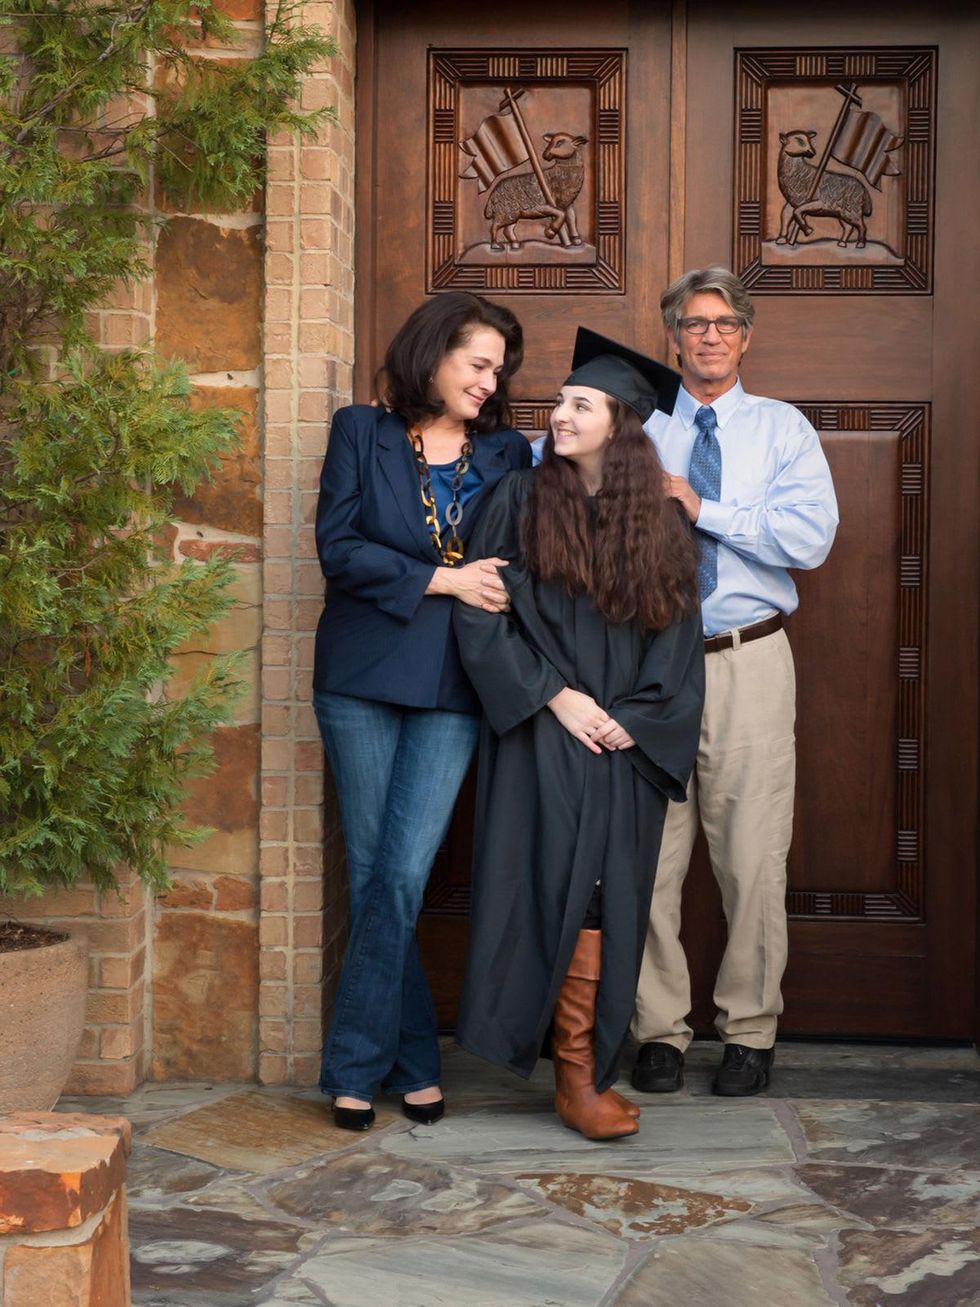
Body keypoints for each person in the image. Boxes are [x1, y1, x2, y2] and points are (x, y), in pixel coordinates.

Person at [453, 329, 705, 1140]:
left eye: (579, 404)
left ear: (621, 424)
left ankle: (580, 1072)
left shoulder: (661, 523)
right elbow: (479, 614)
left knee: (606, 892)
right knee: (544, 880)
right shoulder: (520, 501)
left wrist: (633, 722)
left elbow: (677, 643)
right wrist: (556, 698)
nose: (558, 415)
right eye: (562, 401)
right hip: (540, 726)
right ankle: (568, 1070)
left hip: (625, 738)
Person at [312, 292, 531, 1131]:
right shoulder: (358, 432)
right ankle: (412, 1061)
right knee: (374, 875)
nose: (489, 380)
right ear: (434, 354)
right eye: (477, 363)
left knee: (399, 875)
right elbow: (339, 549)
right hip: (361, 676)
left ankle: (352, 1065)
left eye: (498, 370)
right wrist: (441, 577)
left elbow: (524, 558)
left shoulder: (510, 452)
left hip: (455, 683)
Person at [631, 266, 839, 1098]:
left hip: (747, 656)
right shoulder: (635, 423)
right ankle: (657, 1031)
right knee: (648, 856)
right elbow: (558, 488)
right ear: (671, 336)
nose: (709, 335)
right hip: (648, 662)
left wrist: (700, 508)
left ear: (745, 337)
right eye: (693, 322)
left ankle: (750, 1031)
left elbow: (809, 537)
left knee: (753, 857)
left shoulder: (783, 430)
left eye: (724, 322)